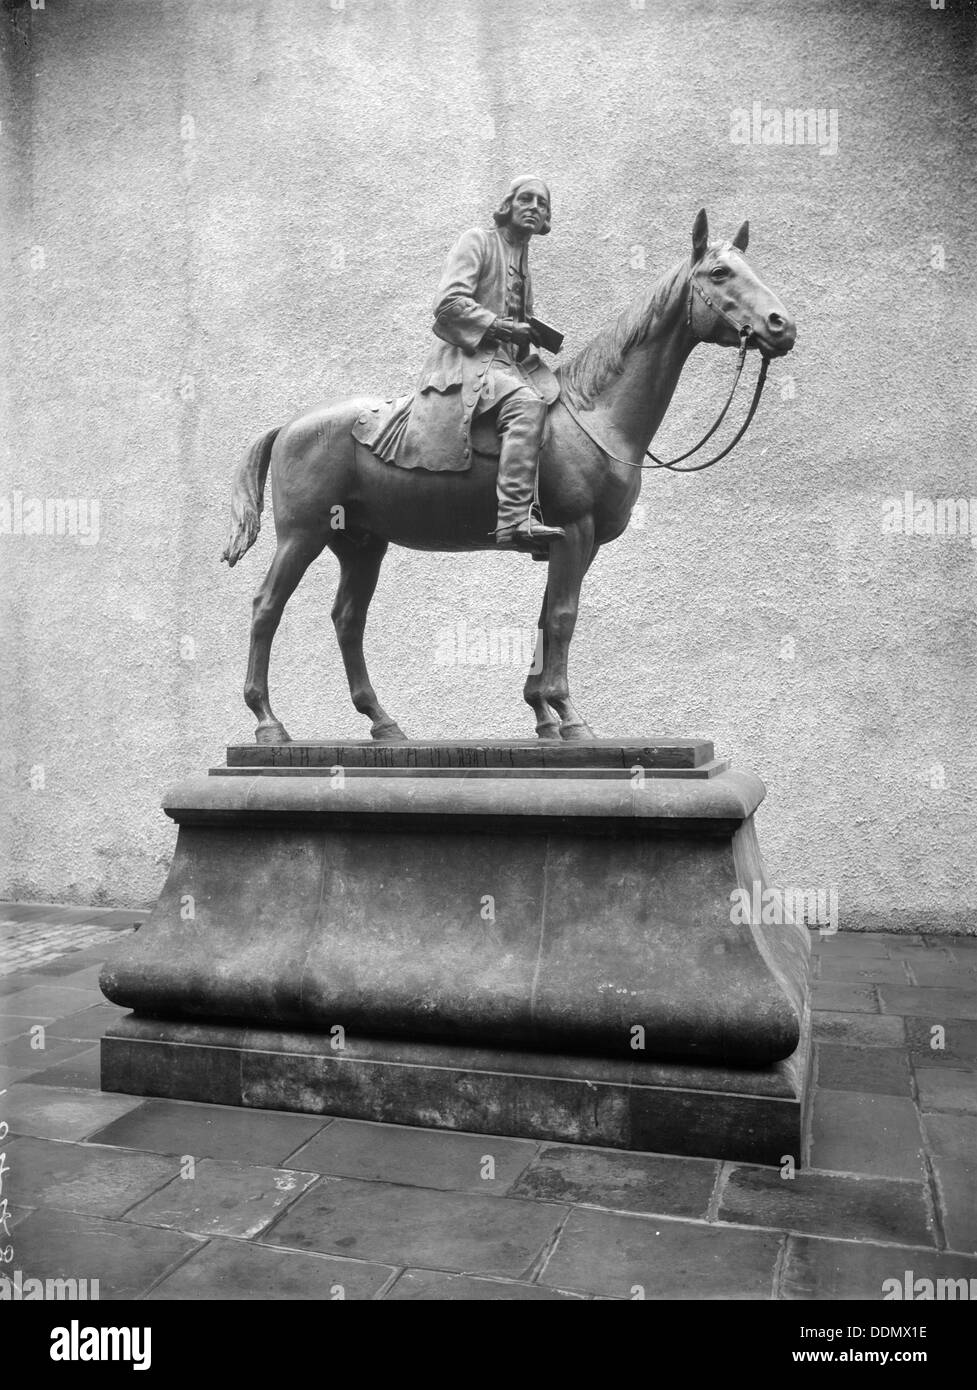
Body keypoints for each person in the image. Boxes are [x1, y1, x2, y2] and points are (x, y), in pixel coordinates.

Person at [413, 176, 565, 548]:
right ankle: (513, 519)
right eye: (526, 199)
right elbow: (448, 304)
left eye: (542, 203)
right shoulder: (478, 240)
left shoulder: (523, 261)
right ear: (509, 205)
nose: (534, 207)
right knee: (528, 405)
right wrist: (501, 327)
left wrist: (531, 334)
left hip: (507, 367)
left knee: (564, 402)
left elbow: (517, 328)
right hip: (467, 363)